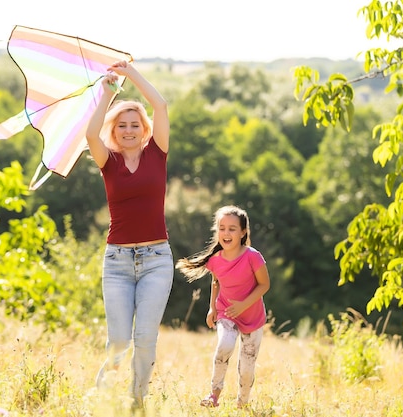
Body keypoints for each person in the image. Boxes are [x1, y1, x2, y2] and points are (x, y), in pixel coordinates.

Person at [85, 60, 173, 409]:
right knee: (120, 341)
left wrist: (131, 75)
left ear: (144, 128)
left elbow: (161, 105)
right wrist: (108, 92)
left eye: (135, 124)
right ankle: (103, 392)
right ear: (115, 130)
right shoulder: (109, 161)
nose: (129, 130)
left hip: (156, 260)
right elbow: (91, 134)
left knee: (145, 337)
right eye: (122, 125)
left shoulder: (158, 153)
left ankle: (138, 401)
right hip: (118, 262)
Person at [176, 205, 270, 409]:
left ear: (243, 232)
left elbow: (265, 284)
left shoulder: (253, 256)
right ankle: (214, 395)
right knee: (224, 346)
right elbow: (216, 282)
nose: (226, 233)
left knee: (247, 368)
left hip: (252, 318)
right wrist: (212, 308)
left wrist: (244, 305)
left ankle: (242, 404)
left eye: (232, 229)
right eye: (222, 228)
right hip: (227, 312)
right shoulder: (215, 260)